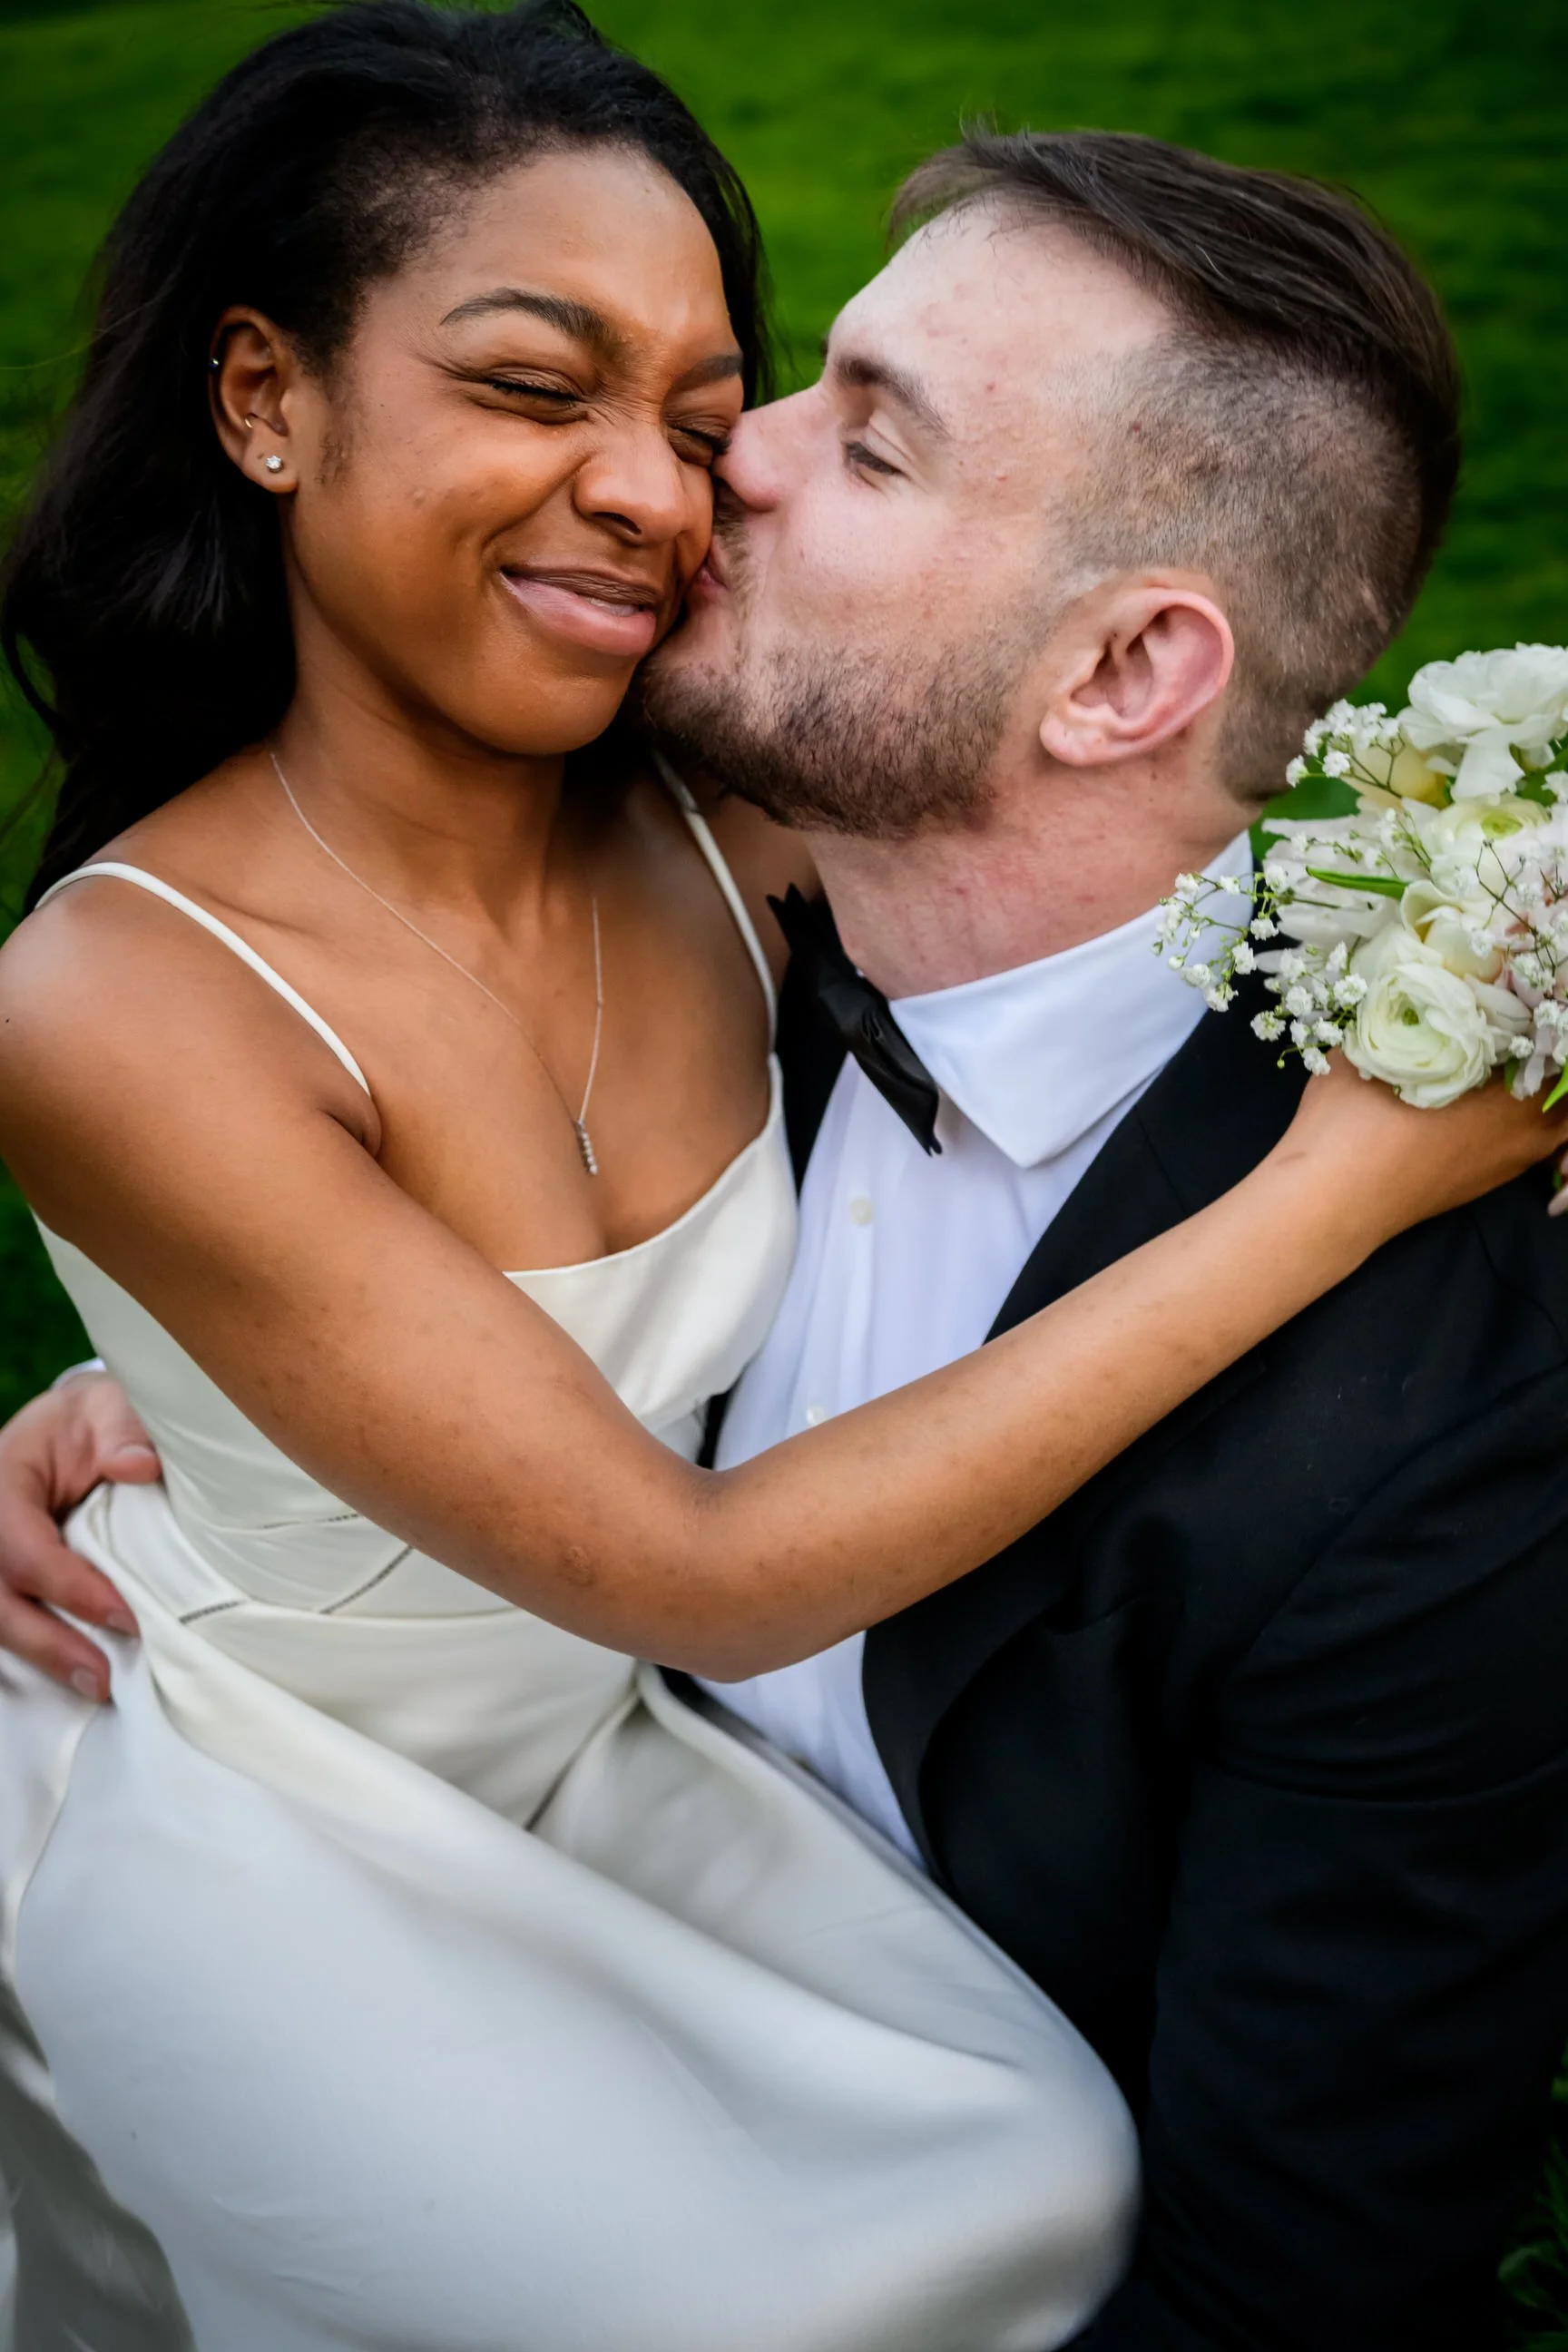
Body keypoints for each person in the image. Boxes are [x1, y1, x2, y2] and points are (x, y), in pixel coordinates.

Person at [4, 7, 1550, 2349]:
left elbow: (1293, 2293)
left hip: (770, 1998)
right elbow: (559, 1445)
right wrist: (201, 1425)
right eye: (775, 395)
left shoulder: (1439, 1422)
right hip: (285, 1833)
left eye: (845, 438)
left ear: (1129, 669)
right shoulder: (726, 873)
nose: (700, 483)